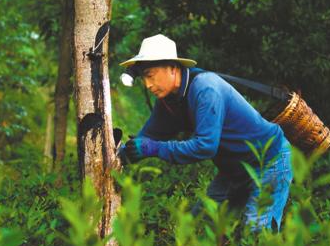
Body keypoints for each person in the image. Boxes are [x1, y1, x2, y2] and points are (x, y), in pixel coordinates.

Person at [119, 34, 293, 231]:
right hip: (235, 170)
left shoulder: (206, 89)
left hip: (269, 161)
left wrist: (154, 149)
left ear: (172, 68)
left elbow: (205, 147)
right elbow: (148, 137)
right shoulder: (169, 101)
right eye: (144, 78)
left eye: (150, 76)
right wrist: (122, 154)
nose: (148, 85)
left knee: (257, 235)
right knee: (198, 227)